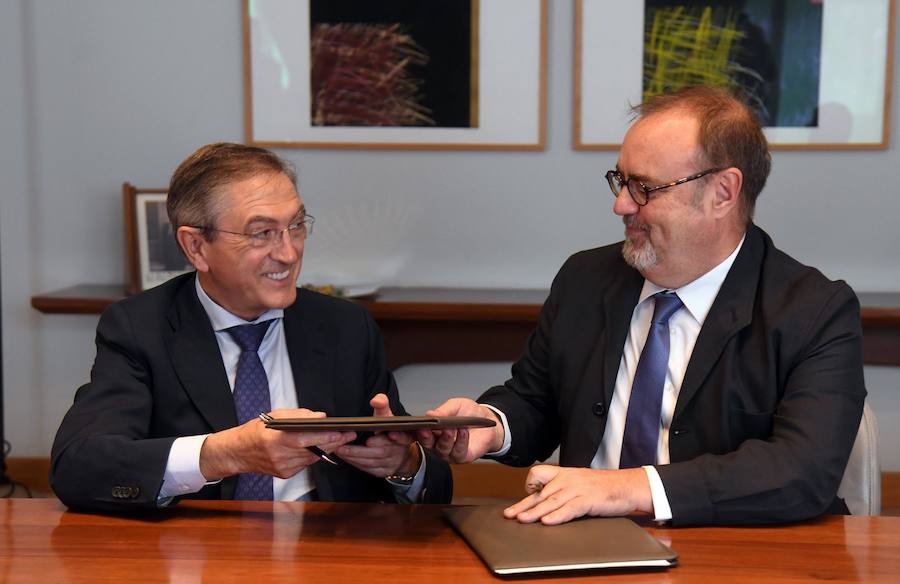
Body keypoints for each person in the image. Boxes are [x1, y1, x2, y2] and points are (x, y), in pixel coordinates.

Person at [419, 86, 865, 526]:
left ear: (723, 193)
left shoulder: (813, 310)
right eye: (620, 180)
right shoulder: (586, 279)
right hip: (578, 547)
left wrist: (625, 488)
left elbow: (801, 471)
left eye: (645, 188)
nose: (620, 205)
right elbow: (536, 401)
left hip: (735, 552)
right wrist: (490, 426)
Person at [51, 143, 452, 510]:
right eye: (262, 233)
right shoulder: (141, 327)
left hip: (325, 547)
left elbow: (431, 484)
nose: (289, 252)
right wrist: (222, 454)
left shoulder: (344, 327)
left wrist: (404, 464)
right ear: (196, 247)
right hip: (196, 552)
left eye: (296, 226)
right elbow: (79, 465)